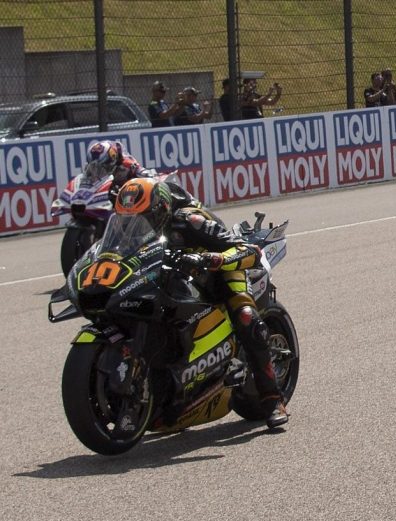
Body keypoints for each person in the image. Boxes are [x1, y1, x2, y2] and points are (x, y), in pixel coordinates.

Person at [112, 177, 289, 428]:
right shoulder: (131, 229)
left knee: (247, 317)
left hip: (220, 270)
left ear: (161, 210)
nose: (137, 224)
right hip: (178, 277)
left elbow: (247, 250)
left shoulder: (190, 220)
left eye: (144, 218)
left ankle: (273, 399)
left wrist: (213, 259)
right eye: (129, 219)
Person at [85, 140, 154, 199]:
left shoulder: (127, 165)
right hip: (99, 200)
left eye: (102, 165)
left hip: (125, 201)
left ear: (112, 158)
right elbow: (84, 183)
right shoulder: (91, 169)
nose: (97, 169)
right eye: (94, 165)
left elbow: (148, 176)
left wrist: (146, 176)